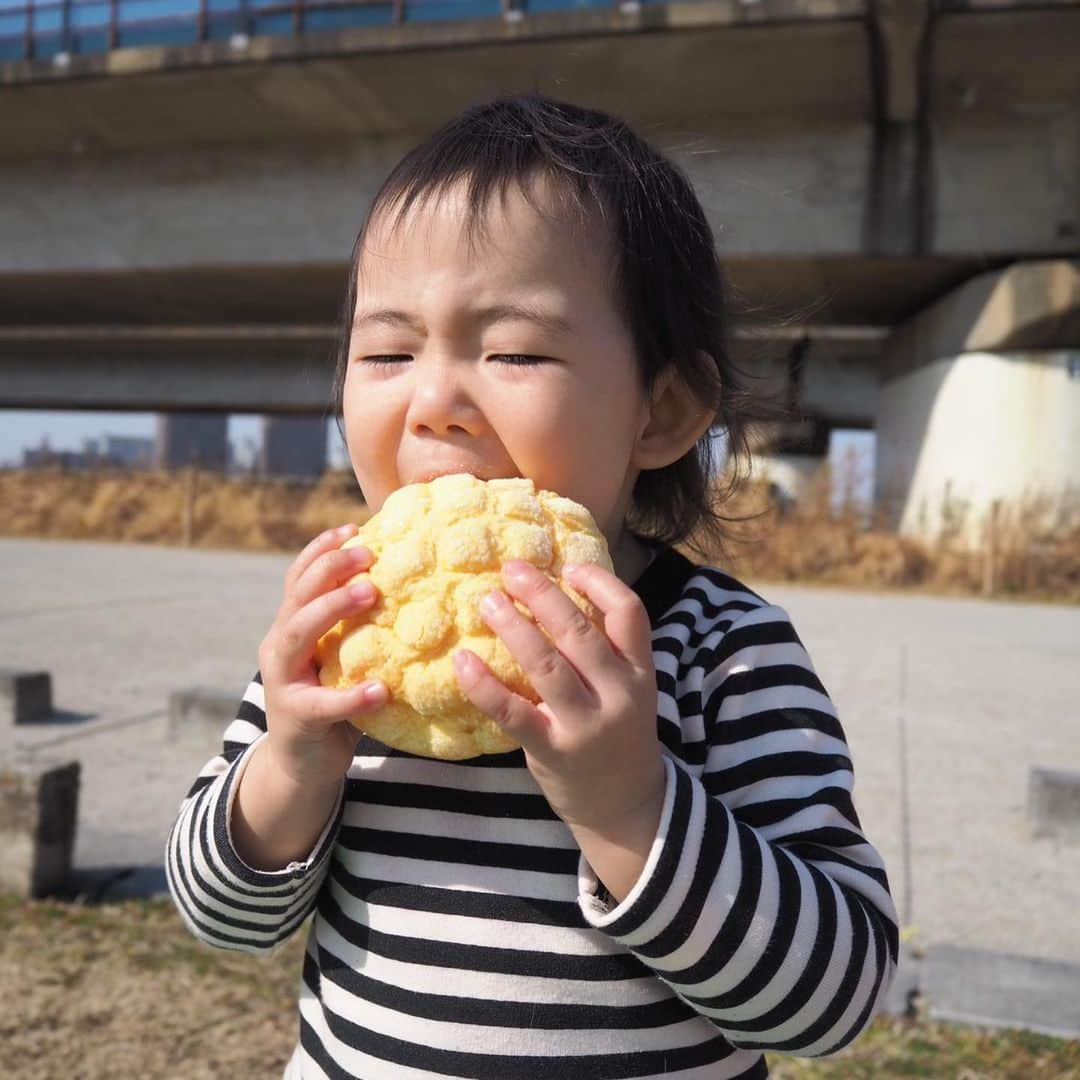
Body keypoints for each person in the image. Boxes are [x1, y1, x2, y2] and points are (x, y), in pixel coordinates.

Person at [166, 93, 898, 1079]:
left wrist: (630, 805)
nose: (434, 404)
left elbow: (834, 1000)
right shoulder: (332, 634)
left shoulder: (719, 650)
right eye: (387, 351)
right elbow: (218, 915)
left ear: (664, 410)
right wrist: (293, 762)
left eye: (511, 352)